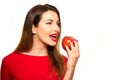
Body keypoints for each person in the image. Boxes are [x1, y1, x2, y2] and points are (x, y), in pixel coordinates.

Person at [0, 4, 80, 80]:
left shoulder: (64, 62)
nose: (57, 29)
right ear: (34, 28)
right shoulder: (9, 62)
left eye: (58, 24)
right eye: (49, 23)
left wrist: (71, 68)